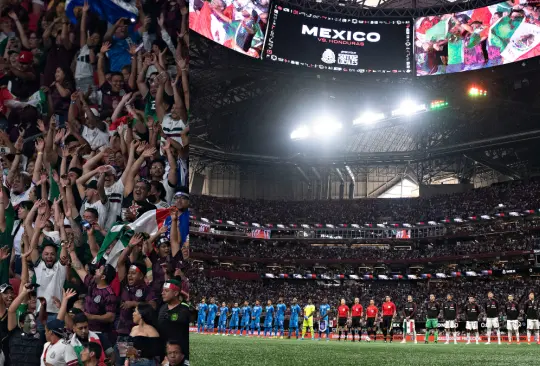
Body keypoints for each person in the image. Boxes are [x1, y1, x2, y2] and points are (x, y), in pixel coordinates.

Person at [157, 279, 190, 362]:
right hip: (164, 354)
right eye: (163, 290)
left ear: (175, 293)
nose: (162, 293)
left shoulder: (185, 309)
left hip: (179, 355)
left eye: (166, 291)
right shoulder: (162, 308)